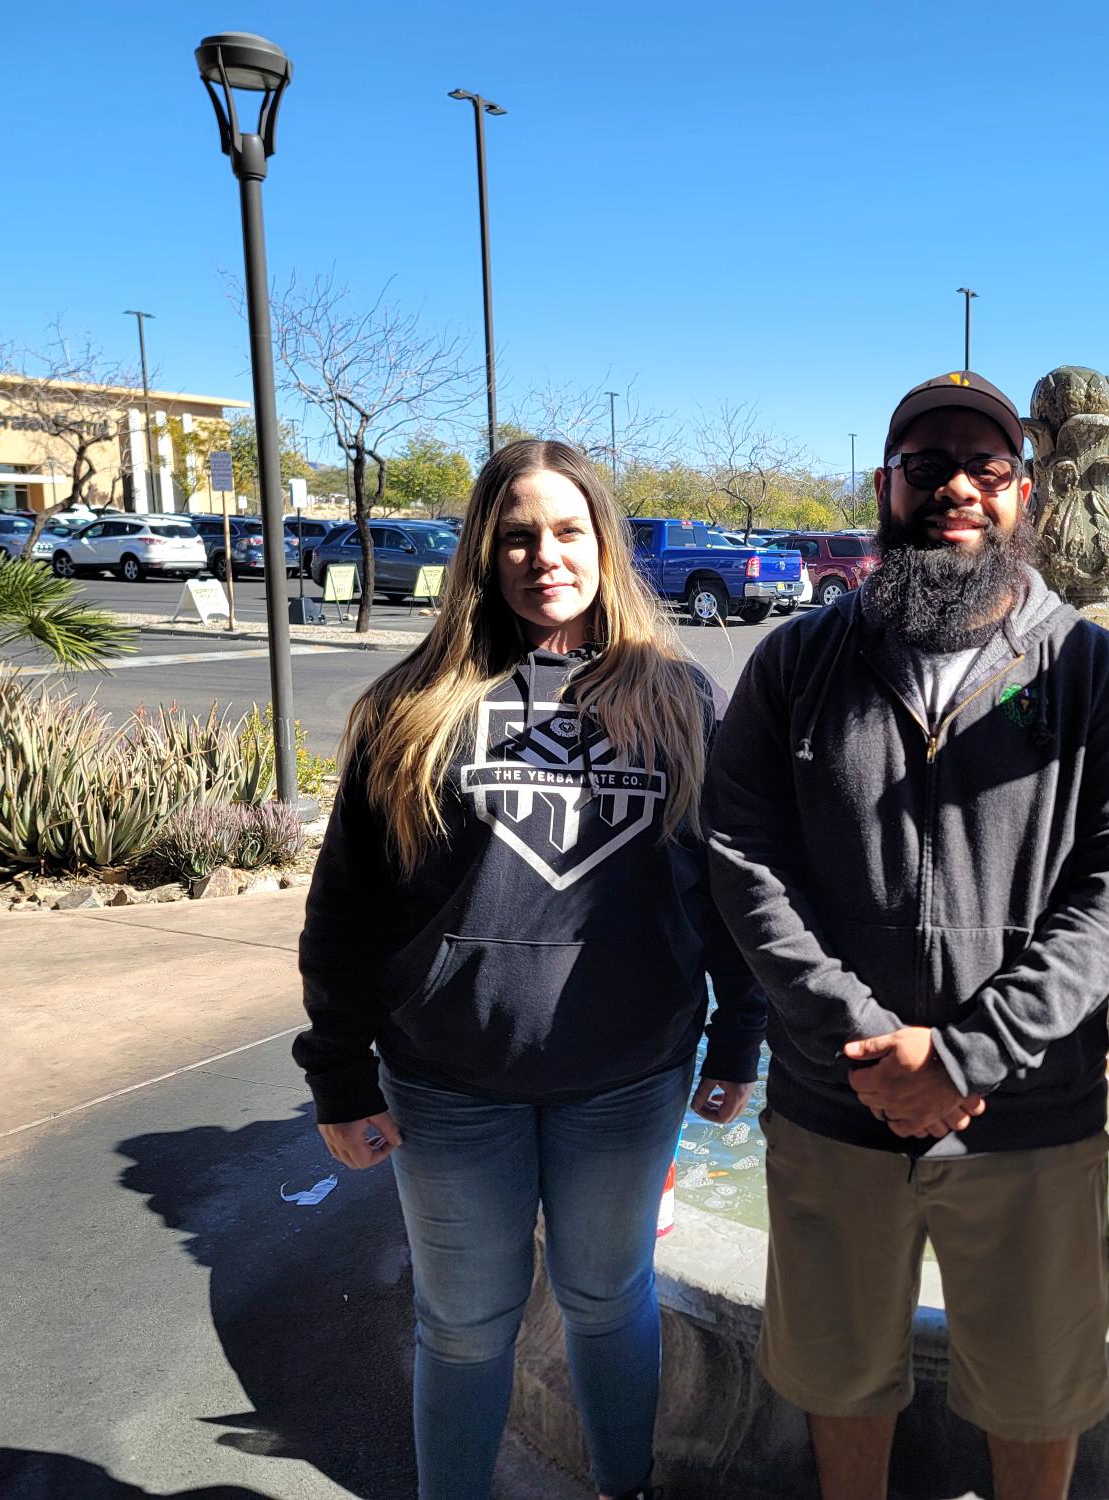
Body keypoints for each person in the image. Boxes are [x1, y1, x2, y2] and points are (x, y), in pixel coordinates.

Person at [704, 371, 1109, 1500]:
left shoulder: (1092, 670)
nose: (956, 486)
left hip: (1030, 1118)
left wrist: (968, 1057)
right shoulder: (795, 663)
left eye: (985, 467)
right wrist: (862, 1040)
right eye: (928, 465)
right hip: (836, 1106)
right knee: (840, 1380)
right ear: (886, 485)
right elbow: (742, 858)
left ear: (1024, 496)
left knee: (1037, 1394)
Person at [294, 439, 764, 1500]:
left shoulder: (681, 700)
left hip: (628, 1080)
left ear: (604, 544)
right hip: (449, 1084)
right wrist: (339, 1075)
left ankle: (623, 1487)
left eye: (566, 531)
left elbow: (727, 892)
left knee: (609, 1300)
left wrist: (738, 1036)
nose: (544, 556)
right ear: (481, 550)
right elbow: (346, 912)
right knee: (463, 1325)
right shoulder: (413, 705)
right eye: (516, 535)